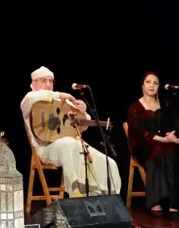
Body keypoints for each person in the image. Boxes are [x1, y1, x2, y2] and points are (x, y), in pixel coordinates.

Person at [20, 66, 121, 197]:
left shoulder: (61, 102)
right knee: (68, 142)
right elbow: (34, 96)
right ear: (33, 83)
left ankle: (105, 197)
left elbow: (82, 125)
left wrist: (83, 112)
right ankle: (75, 191)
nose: (48, 84)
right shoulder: (30, 99)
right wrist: (60, 94)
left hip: (73, 145)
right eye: (43, 80)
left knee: (109, 163)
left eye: (51, 81)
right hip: (46, 150)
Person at [127, 72, 179, 218]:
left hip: (166, 144)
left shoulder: (166, 104)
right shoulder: (135, 107)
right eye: (148, 82)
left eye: (155, 83)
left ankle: (174, 202)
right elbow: (137, 131)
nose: (152, 85)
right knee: (158, 151)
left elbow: (178, 124)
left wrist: (173, 135)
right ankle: (155, 202)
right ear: (142, 85)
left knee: (171, 152)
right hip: (145, 145)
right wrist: (159, 139)